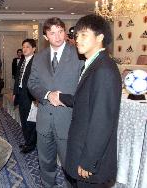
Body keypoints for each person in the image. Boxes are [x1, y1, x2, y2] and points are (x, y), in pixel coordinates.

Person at [51, 14, 122, 188]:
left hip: (91, 161)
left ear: (100, 37)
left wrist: (89, 161)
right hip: (82, 150)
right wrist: (61, 97)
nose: (77, 40)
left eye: (84, 35)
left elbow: (102, 121)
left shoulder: (104, 69)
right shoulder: (92, 63)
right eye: (77, 35)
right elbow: (86, 101)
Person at [27, 17, 83, 187]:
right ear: (46, 37)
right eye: (52, 33)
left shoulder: (79, 54)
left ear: (65, 33)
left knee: (70, 165)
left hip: (68, 120)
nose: (58, 36)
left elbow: (85, 86)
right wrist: (46, 94)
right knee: (45, 162)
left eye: (60, 31)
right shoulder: (39, 57)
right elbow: (32, 83)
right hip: (44, 119)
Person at [13, 39, 37, 154]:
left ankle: (31, 144)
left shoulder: (36, 61)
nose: (24, 49)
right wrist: (14, 93)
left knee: (30, 121)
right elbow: (17, 78)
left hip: (30, 95)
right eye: (23, 47)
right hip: (21, 93)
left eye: (27, 47)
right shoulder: (22, 61)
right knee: (23, 119)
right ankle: (27, 141)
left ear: (34, 49)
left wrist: (36, 97)